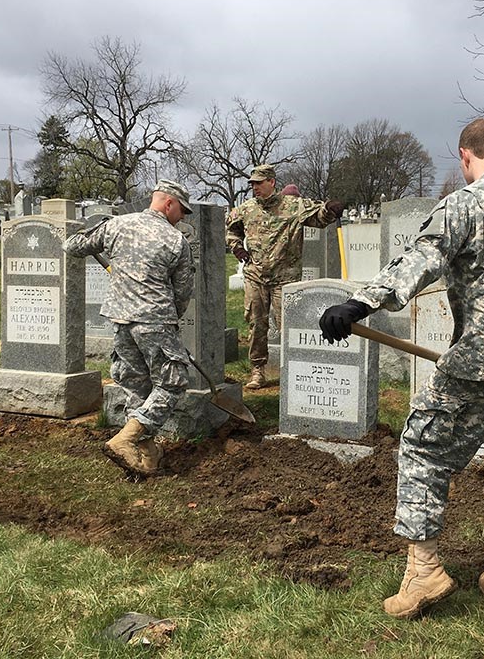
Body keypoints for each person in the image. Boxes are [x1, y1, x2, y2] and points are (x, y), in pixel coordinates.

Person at [319, 118, 484, 619]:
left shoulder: (465, 204)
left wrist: (359, 304)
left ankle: (425, 572)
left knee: (422, 449)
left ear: (465, 156)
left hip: (480, 362)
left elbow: (421, 260)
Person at [62, 179, 195, 477]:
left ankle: (145, 458)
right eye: (182, 211)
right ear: (168, 203)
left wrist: (104, 240)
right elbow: (182, 292)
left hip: (120, 319)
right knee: (173, 382)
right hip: (155, 319)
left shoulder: (115, 226)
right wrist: (169, 320)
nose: (183, 217)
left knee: (137, 386)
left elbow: (72, 246)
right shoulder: (176, 241)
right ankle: (127, 438)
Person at [225, 164, 344, 389]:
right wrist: (236, 247)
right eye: (252, 184)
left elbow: (318, 217)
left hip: (285, 278)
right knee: (256, 324)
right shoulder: (246, 208)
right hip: (255, 276)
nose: (255, 188)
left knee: (289, 326)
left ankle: (294, 369)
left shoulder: (294, 206)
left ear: (271, 182)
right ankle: (257, 371)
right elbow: (232, 229)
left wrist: (329, 209)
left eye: (259, 183)